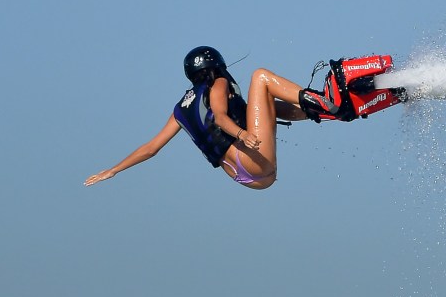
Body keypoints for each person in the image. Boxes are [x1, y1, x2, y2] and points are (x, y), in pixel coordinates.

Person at [84, 46, 338, 190]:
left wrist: (113, 170)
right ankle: (322, 100)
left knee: (263, 104)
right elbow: (218, 117)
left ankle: (320, 111)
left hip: (244, 177)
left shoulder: (181, 108)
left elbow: (151, 148)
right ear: (216, 66)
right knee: (261, 76)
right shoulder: (218, 83)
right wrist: (242, 134)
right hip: (251, 159)